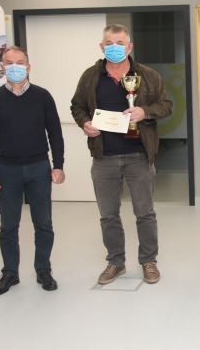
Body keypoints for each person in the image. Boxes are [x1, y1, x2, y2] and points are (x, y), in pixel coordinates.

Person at [70, 24, 172, 285]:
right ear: (101, 47)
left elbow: (166, 105)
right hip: (103, 157)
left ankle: (149, 261)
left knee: (145, 213)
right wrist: (84, 123)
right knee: (108, 215)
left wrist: (144, 112)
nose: (114, 48)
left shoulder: (148, 75)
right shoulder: (90, 76)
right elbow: (77, 106)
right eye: (109, 43)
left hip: (139, 156)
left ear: (129, 47)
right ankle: (116, 262)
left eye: (120, 43)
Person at [0, 46, 65, 296]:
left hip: (39, 168)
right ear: (2, 67)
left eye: (20, 62)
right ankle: (10, 273)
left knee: (44, 223)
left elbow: (55, 133)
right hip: (7, 170)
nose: (15, 66)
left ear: (28, 66)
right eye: (9, 62)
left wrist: (58, 165)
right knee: (8, 225)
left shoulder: (43, 96)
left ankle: (43, 270)